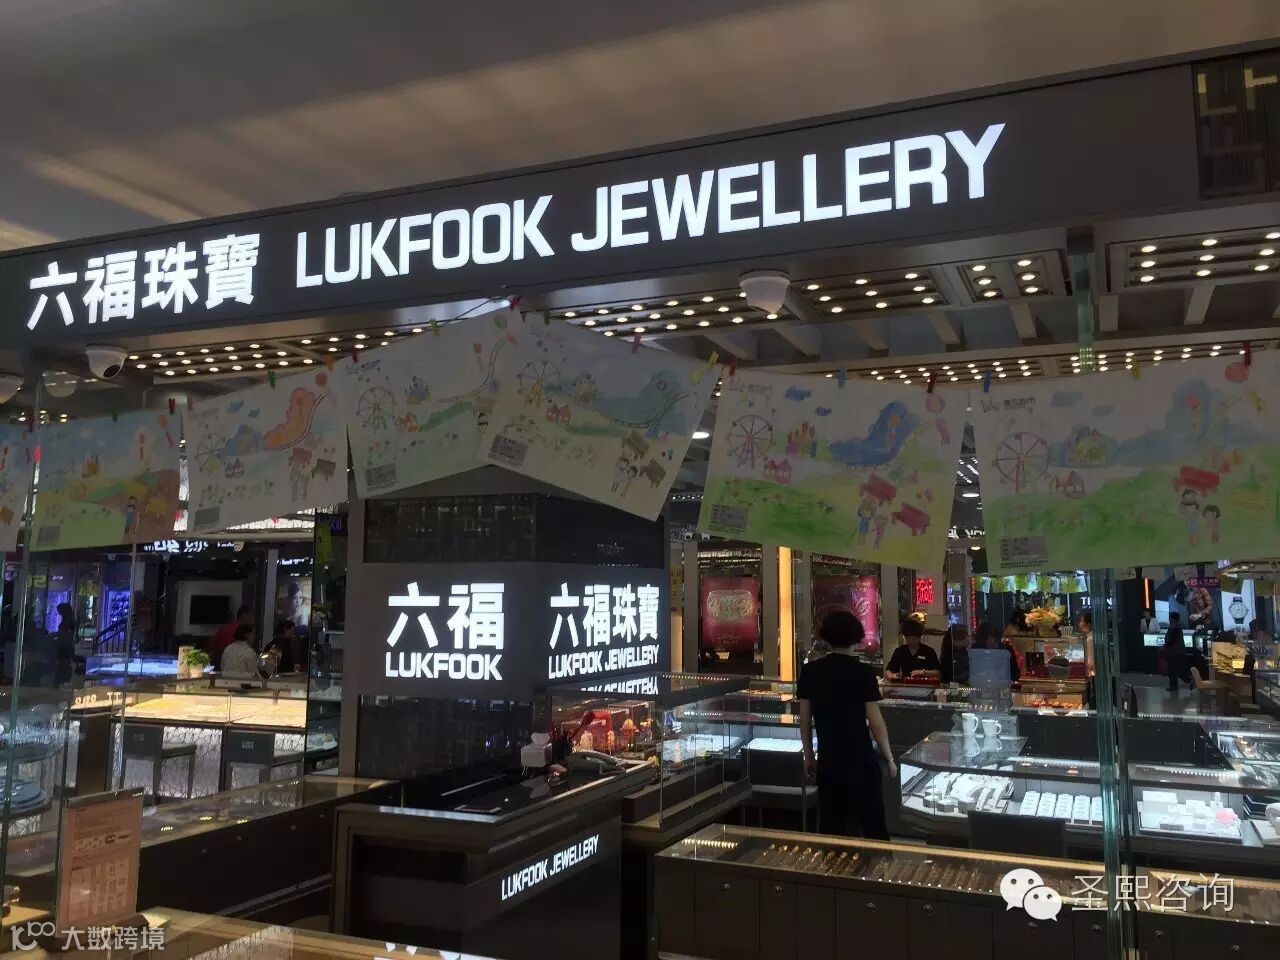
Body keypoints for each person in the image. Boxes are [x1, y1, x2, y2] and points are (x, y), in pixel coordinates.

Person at [796, 611, 894, 839]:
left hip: (829, 760)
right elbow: (875, 721)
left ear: (826, 637)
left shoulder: (811, 671)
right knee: (874, 827)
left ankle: (835, 862)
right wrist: (889, 758)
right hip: (861, 760)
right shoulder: (863, 672)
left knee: (832, 828)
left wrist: (809, 756)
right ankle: (878, 862)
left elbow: (805, 720)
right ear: (855, 637)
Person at [54, 602, 77, 686]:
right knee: (64, 664)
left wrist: (55, 635)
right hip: (65, 645)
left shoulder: (68, 621)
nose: (59, 613)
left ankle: (61, 682)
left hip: (64, 646)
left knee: (63, 664)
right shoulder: (69, 620)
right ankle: (62, 682)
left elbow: (65, 634)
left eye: (59, 611)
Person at [1164, 611, 1187, 692]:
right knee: (1173, 670)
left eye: (1170, 618)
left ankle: (1175, 685)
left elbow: (1171, 641)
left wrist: (1165, 645)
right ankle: (1174, 685)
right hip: (1174, 652)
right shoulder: (1173, 628)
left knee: (1174, 670)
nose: (1169, 620)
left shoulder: (1176, 629)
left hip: (1175, 653)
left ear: (1173, 619)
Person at [1076, 610, 1095, 677]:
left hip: (1093, 675)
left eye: (1082, 621)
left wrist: (1077, 660)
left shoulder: (1090, 639)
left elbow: (1091, 664)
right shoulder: (1091, 636)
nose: (1079, 624)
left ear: (1089, 624)